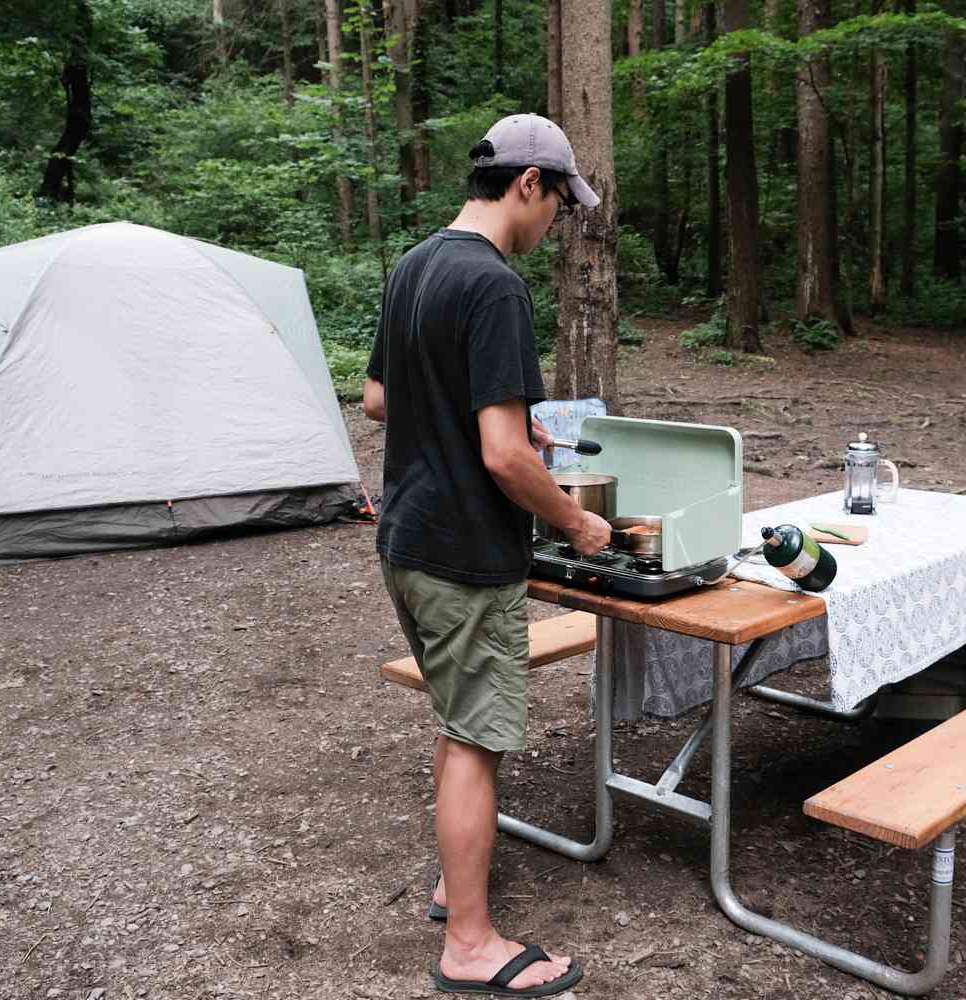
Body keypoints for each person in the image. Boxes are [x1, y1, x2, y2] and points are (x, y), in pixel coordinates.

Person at [361, 113, 611, 998]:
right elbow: (506, 457)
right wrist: (578, 525)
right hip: (466, 549)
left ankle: (452, 883)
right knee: (476, 739)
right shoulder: (496, 286)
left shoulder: (417, 263)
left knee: (458, 724)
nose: (554, 230)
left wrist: (476, 407)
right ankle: (469, 944)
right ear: (528, 185)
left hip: (408, 539)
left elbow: (380, 399)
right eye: (557, 208)